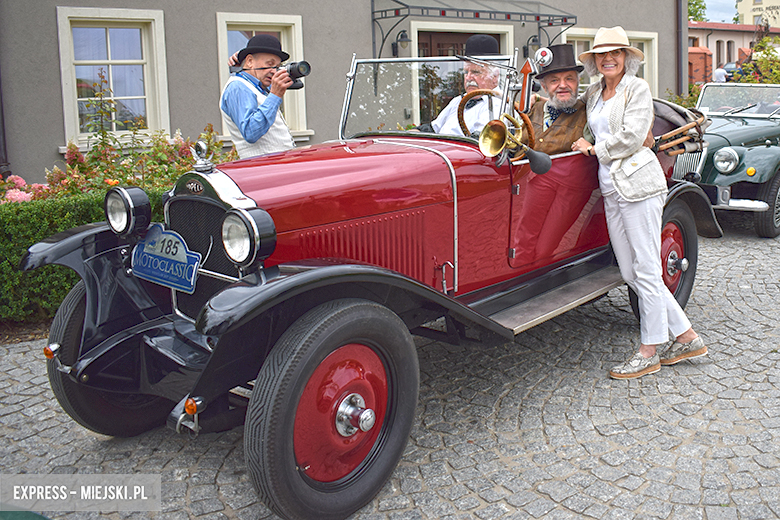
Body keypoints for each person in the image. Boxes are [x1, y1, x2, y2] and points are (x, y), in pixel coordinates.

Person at [571, 26, 707, 379]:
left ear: (626, 57)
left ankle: (649, 351)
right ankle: (687, 336)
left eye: (615, 53)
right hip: (611, 187)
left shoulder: (637, 88)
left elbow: (633, 137)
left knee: (646, 268)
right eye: (602, 54)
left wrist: (594, 149)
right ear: (595, 61)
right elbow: (570, 111)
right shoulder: (594, 92)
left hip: (639, 184)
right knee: (629, 271)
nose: (608, 59)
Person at [513, 44, 597, 262]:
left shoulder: (590, 112)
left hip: (570, 188)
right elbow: (518, 143)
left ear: (578, 82)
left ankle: (542, 272)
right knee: (524, 238)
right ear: (544, 86)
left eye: (569, 79)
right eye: (554, 81)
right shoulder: (533, 108)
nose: (562, 85)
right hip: (534, 183)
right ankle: (523, 276)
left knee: (546, 248)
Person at [220, 34, 296, 159]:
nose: (274, 71)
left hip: (276, 164)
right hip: (262, 166)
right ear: (250, 61)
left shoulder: (257, 88)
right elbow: (251, 132)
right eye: (270, 64)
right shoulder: (238, 87)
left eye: (277, 67)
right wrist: (275, 95)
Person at [418, 34, 502, 136]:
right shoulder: (458, 101)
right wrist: (412, 133)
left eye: (475, 72)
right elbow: (432, 128)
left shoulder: (498, 104)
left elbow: (479, 140)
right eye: (466, 72)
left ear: (494, 77)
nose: (468, 78)